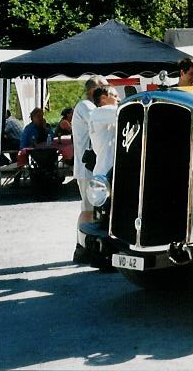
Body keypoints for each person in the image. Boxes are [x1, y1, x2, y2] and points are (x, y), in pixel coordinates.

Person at [72, 75, 108, 263]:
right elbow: (100, 119)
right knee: (88, 209)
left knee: (93, 209)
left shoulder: (89, 106)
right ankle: (81, 247)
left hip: (91, 166)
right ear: (94, 90)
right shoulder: (86, 107)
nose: (108, 90)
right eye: (104, 87)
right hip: (87, 167)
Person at [88, 85, 120, 178]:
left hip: (110, 171)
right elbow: (125, 112)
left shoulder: (106, 116)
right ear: (103, 98)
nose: (118, 99)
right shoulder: (99, 112)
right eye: (115, 96)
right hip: (106, 173)